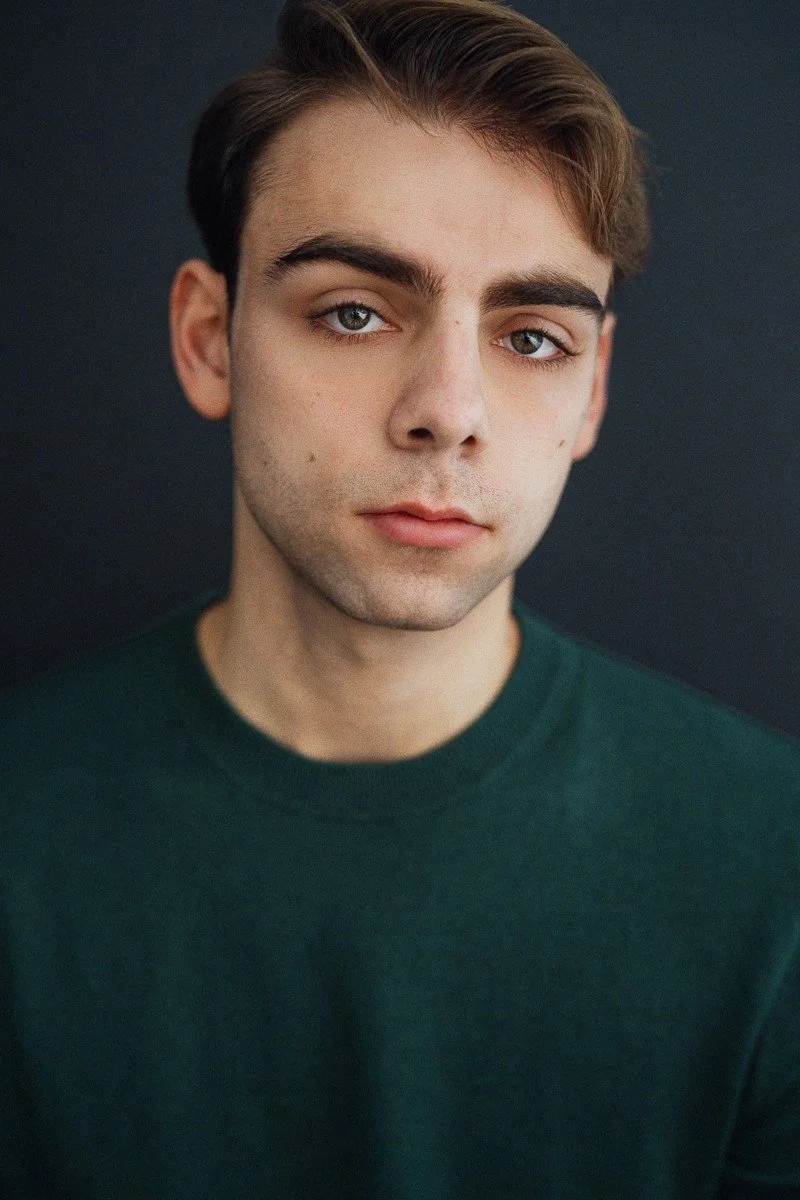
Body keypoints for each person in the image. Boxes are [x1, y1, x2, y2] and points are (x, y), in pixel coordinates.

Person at [2, 0, 798, 1195]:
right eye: (354, 311)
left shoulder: (770, 867)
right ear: (210, 339)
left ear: (591, 396)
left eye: (532, 338)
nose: (447, 407)